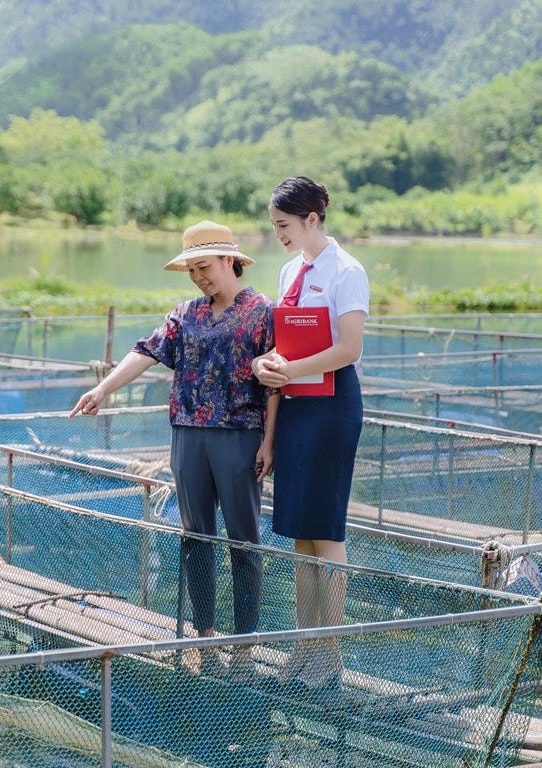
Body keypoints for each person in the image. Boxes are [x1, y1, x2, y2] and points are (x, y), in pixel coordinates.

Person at [69, 220, 278, 662]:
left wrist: (270, 442)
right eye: (192, 270)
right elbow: (145, 351)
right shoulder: (185, 314)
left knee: (244, 539)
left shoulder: (263, 311)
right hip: (187, 435)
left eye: (205, 266)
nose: (200, 276)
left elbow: (277, 385)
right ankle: (205, 637)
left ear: (230, 260)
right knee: (194, 536)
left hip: (240, 436)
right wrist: (103, 389)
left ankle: (243, 646)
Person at [252, 176, 369, 689]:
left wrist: (290, 371)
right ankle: (305, 643)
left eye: (284, 225)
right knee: (300, 529)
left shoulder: (347, 270)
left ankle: (331, 651)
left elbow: (349, 350)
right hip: (297, 404)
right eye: (275, 226)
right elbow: (286, 342)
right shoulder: (289, 269)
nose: (278, 234)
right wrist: (269, 365)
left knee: (327, 528)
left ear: (312, 220)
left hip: (332, 407)